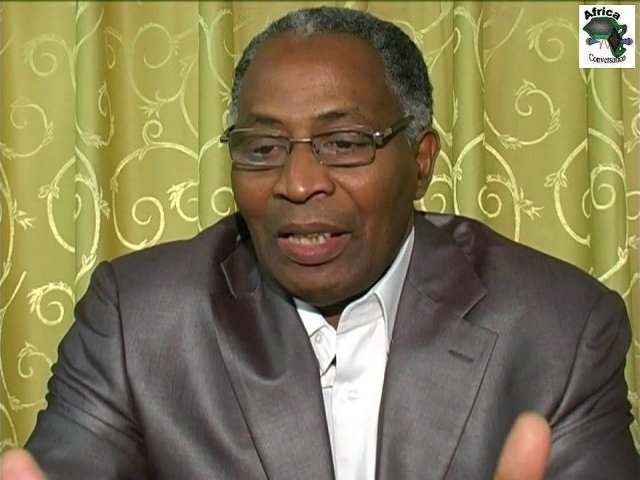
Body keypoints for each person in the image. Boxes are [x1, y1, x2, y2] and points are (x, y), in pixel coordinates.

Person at [2, 6, 638, 479]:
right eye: (262, 148)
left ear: (421, 161)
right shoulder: (139, 321)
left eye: (344, 143)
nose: (299, 182)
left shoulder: (559, 328)